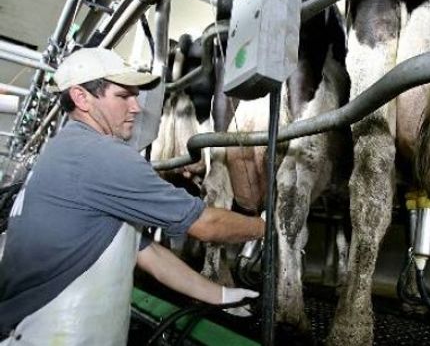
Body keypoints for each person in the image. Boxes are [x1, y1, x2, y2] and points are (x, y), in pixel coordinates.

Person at [0, 48, 265, 345]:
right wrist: (269, 228)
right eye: (123, 96)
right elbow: (206, 225)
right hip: (57, 334)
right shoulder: (100, 155)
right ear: (81, 98)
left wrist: (220, 294)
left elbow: (146, 253)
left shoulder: (66, 150)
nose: (136, 107)